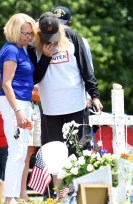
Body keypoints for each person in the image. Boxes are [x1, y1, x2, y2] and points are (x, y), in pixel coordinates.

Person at [27, 11, 103, 196]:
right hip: (51, 108)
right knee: (53, 154)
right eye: (47, 37)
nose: (51, 40)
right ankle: (56, 194)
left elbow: (86, 68)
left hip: (75, 105)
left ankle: (78, 193)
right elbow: (34, 78)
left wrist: (95, 95)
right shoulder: (33, 46)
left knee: (77, 151)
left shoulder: (72, 37)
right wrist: (45, 57)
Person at [0, 13, 36, 204]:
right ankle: (9, 197)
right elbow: (6, 83)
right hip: (15, 103)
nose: (29, 37)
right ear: (15, 30)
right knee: (17, 151)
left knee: (20, 152)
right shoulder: (12, 50)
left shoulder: (21, 49)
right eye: (26, 33)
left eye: (31, 34)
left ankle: (11, 196)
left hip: (22, 102)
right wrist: (18, 112)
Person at [52, 5, 94, 136]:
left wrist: (88, 96)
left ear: (70, 24)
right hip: (53, 100)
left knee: (77, 140)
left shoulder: (79, 40)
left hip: (75, 98)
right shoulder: (45, 41)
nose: (61, 29)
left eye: (63, 25)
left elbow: (88, 67)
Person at [20, 85, 42, 201]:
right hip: (25, 106)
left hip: (36, 107)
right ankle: (17, 192)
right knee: (22, 154)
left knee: (28, 153)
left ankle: (22, 192)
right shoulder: (28, 67)